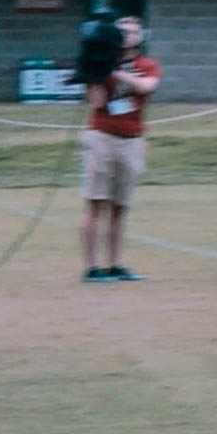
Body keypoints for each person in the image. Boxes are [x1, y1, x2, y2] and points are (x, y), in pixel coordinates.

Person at [81, 15, 161, 283]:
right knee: (95, 203)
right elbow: (95, 103)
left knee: (120, 206)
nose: (129, 35)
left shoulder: (147, 65)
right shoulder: (102, 65)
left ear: (141, 36)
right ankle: (92, 267)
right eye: (123, 31)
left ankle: (116, 264)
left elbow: (146, 86)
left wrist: (115, 71)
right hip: (102, 136)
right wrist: (95, 74)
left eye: (134, 31)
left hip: (132, 138)